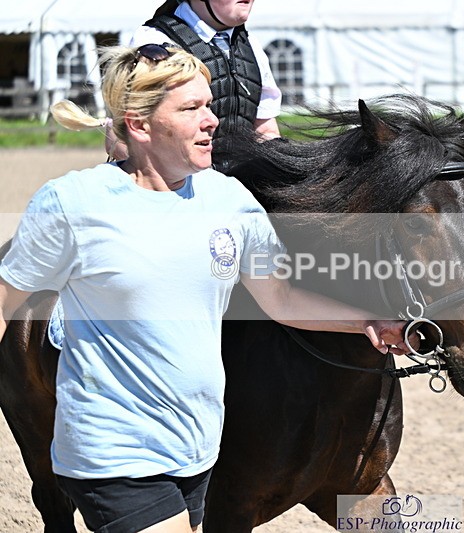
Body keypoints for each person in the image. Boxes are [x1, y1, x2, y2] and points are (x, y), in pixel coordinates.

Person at [0, 45, 410, 533]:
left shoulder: (228, 199)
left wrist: (369, 322)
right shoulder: (73, 202)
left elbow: (279, 297)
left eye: (209, 105)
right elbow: (5, 301)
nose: (212, 120)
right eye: (192, 108)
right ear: (139, 124)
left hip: (195, 450)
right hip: (114, 450)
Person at [107, 0, 281, 172]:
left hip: (240, 187)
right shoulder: (154, 42)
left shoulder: (252, 46)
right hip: (179, 188)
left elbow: (265, 130)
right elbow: (120, 141)